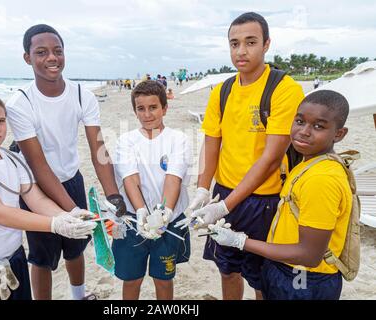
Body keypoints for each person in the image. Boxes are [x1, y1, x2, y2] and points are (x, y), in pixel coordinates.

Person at [179, 12, 305, 300]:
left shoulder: (284, 89)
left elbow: (272, 158)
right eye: (234, 44)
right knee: (227, 268)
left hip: (265, 199)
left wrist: (225, 207)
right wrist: (202, 187)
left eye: (250, 42)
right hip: (224, 191)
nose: (241, 51)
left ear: (266, 44)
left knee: (262, 276)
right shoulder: (222, 91)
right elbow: (211, 143)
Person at [0, 91, 97, 300]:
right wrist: (55, 224)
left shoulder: (13, 159)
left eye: (1, 120)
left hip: (13, 261)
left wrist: (68, 215)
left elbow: (36, 198)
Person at [6, 24, 126, 300]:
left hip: (71, 178)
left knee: (76, 248)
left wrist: (113, 194)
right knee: (41, 257)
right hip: (36, 186)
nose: (51, 58)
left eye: (57, 51)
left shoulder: (83, 94)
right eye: (41, 52)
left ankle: (78, 295)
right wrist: (72, 210)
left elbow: (98, 147)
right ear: (28, 58)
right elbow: (38, 165)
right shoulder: (20, 103)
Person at [208, 90, 352, 300]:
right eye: (300, 121)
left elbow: (310, 255)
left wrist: (240, 241)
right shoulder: (309, 163)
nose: (304, 131)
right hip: (288, 270)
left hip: (303, 278)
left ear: (339, 134)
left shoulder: (321, 179)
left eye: (319, 126)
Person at [112, 80, 191, 300]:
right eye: (141, 108)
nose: (147, 114)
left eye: (153, 107)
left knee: (163, 279)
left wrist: (163, 213)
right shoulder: (125, 141)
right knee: (132, 279)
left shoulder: (179, 139)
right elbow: (130, 179)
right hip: (133, 219)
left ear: (165, 108)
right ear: (135, 111)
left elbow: (173, 178)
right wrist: (141, 212)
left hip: (169, 219)